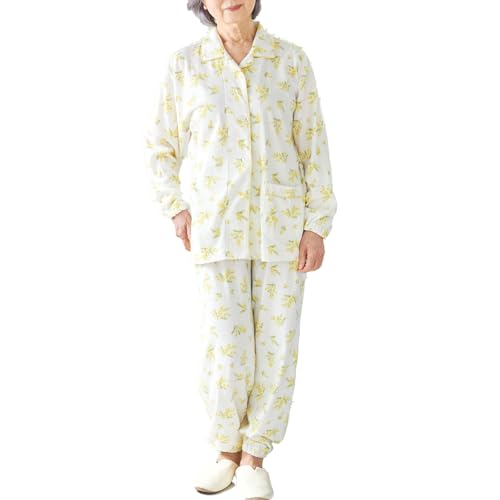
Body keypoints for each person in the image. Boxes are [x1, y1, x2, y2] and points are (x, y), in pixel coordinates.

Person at [144, 1, 337, 498]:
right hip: (217, 227)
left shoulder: (290, 60)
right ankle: (226, 450)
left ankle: (255, 457)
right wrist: (175, 206)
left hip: (282, 228)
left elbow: (312, 145)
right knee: (224, 344)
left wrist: (317, 224)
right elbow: (161, 145)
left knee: (277, 341)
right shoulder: (185, 64)